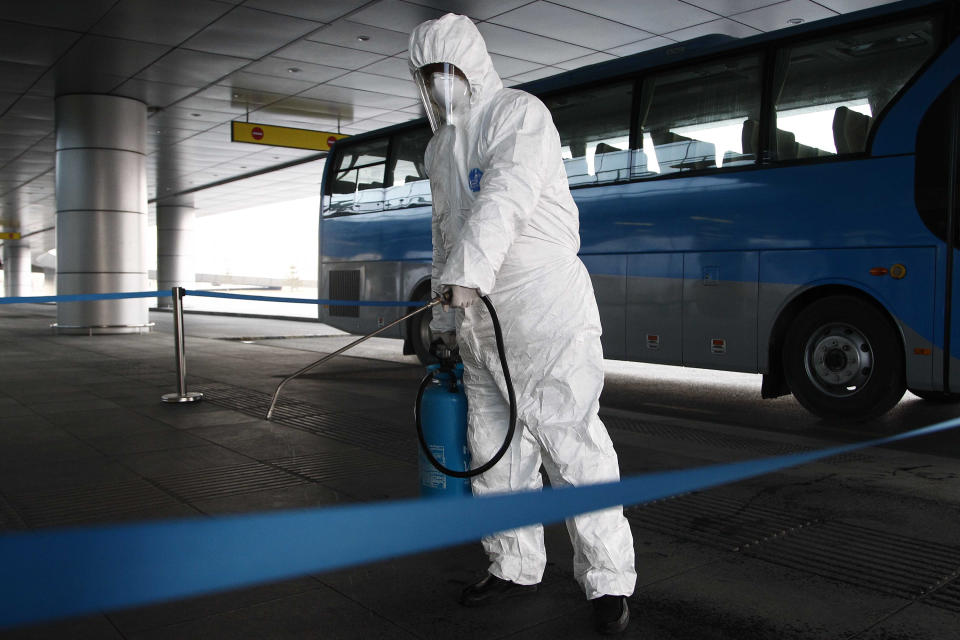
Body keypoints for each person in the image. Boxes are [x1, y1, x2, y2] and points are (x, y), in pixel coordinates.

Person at [408, 14, 637, 635]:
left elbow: (503, 199)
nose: (437, 86)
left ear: (472, 66)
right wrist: (446, 310)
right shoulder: (437, 148)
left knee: (572, 446)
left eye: (445, 72)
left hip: (546, 313)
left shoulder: (519, 116)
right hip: (482, 325)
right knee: (494, 451)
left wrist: (469, 274)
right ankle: (512, 564)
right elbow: (445, 234)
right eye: (426, 77)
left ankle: (609, 581)